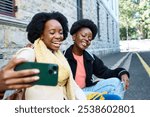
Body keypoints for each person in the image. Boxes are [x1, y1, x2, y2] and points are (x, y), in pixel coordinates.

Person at [3, 12, 86, 100]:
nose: (58, 36)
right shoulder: (31, 52)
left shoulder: (59, 56)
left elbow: (72, 85)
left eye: (61, 33)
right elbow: (11, 72)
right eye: (52, 32)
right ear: (41, 34)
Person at [64, 19, 130, 99]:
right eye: (83, 35)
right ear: (74, 37)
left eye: (89, 38)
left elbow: (106, 72)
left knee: (117, 82)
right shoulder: (63, 57)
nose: (87, 39)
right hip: (71, 93)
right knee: (98, 97)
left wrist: (122, 72)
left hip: (86, 90)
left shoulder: (90, 58)